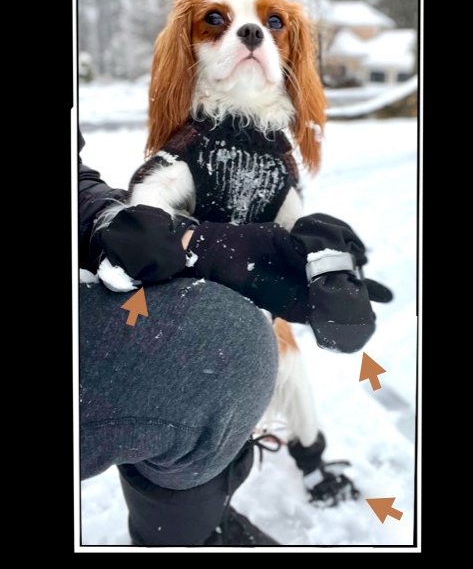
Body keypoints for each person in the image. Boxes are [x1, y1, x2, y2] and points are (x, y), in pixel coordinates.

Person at [79, 130, 391, 546]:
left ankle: (192, 527)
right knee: (226, 344)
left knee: (234, 344)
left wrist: (187, 241)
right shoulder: (183, 150)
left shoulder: (279, 159)